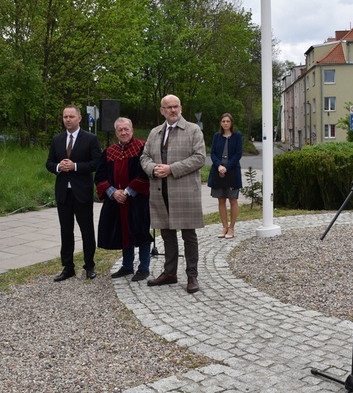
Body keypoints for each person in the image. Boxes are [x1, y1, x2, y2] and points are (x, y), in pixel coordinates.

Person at [140, 94, 206, 294]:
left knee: (189, 235)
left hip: (184, 191)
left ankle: (192, 276)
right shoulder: (155, 133)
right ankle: (170, 273)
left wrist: (171, 169)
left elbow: (200, 158)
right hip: (161, 190)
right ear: (162, 110)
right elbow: (145, 156)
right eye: (168, 107)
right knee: (167, 234)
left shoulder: (193, 130)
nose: (173, 110)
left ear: (181, 108)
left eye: (176, 106)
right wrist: (152, 169)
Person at [46, 105, 102, 282]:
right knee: (66, 230)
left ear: (79, 118)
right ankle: (68, 266)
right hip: (63, 193)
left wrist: (75, 166)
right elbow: (49, 163)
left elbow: (96, 163)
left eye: (71, 116)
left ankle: (89, 265)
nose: (67, 120)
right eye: (65, 117)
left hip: (82, 192)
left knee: (86, 230)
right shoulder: (57, 139)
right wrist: (58, 167)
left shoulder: (90, 139)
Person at [95, 117, 153, 282]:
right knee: (123, 232)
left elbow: (145, 174)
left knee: (141, 231)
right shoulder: (109, 152)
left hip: (138, 200)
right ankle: (127, 266)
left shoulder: (142, 148)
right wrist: (113, 192)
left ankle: (144, 267)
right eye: (120, 130)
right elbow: (99, 176)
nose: (123, 132)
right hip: (116, 201)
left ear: (132, 130)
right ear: (116, 132)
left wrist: (127, 192)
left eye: (126, 129)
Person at [207, 113, 243, 239]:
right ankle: (224, 227)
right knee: (221, 200)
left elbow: (238, 154)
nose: (226, 123)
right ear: (221, 123)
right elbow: (212, 154)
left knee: (233, 200)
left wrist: (227, 167)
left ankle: (232, 228)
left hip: (232, 172)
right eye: (223, 121)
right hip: (218, 172)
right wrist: (219, 166)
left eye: (228, 121)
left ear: (231, 123)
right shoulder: (217, 136)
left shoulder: (237, 136)